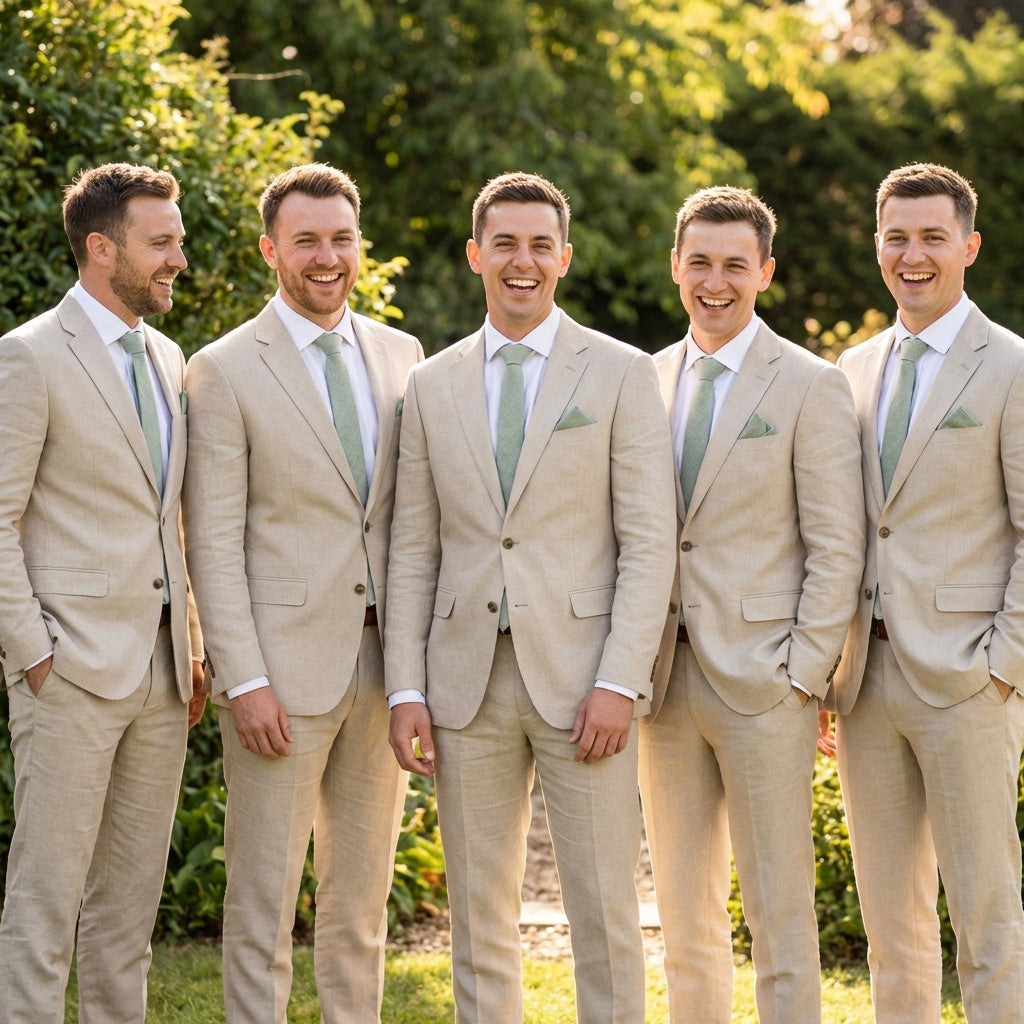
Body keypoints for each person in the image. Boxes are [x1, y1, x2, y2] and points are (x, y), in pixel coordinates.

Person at [383, 171, 676, 1024]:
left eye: (540, 245)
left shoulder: (621, 375)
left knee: (605, 915)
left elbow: (648, 542)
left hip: (586, 680)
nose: (523, 261)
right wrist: (406, 686)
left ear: (565, 258)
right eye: (505, 244)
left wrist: (622, 680)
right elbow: (413, 546)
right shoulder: (431, 385)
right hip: (462, 685)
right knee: (477, 917)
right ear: (476, 255)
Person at [182, 163, 422, 1024]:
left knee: (361, 909)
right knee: (261, 908)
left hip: (381, 667)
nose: (328, 258)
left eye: (342, 239)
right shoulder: (222, 369)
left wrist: (412, 680)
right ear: (270, 250)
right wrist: (242, 679)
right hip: (278, 674)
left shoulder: (403, 356)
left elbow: (410, 524)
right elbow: (211, 539)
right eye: (307, 240)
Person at [637, 185, 865, 1024]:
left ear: (765, 272)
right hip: (663, 685)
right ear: (675, 266)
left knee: (778, 908)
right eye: (699, 261)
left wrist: (804, 676)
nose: (715, 280)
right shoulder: (644, 379)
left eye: (735, 264)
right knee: (685, 913)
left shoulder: (811, 385)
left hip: (767, 682)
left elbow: (837, 543)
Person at [0, 162, 205, 1023]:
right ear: (99, 248)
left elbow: (171, 519)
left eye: (178, 242)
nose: (178, 262)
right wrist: (37, 657)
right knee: (44, 912)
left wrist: (189, 643)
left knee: (127, 919)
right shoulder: (29, 356)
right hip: (71, 674)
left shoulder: (167, 355)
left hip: (161, 682)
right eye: (161, 244)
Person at [829, 162, 1024, 1022]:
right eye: (897, 237)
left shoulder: (1012, 366)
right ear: (879, 246)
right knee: (892, 921)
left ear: (969, 247)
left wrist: (1004, 665)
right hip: (866, 682)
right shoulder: (853, 368)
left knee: (986, 912)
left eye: (932, 238)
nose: (914, 255)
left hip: (968, 681)